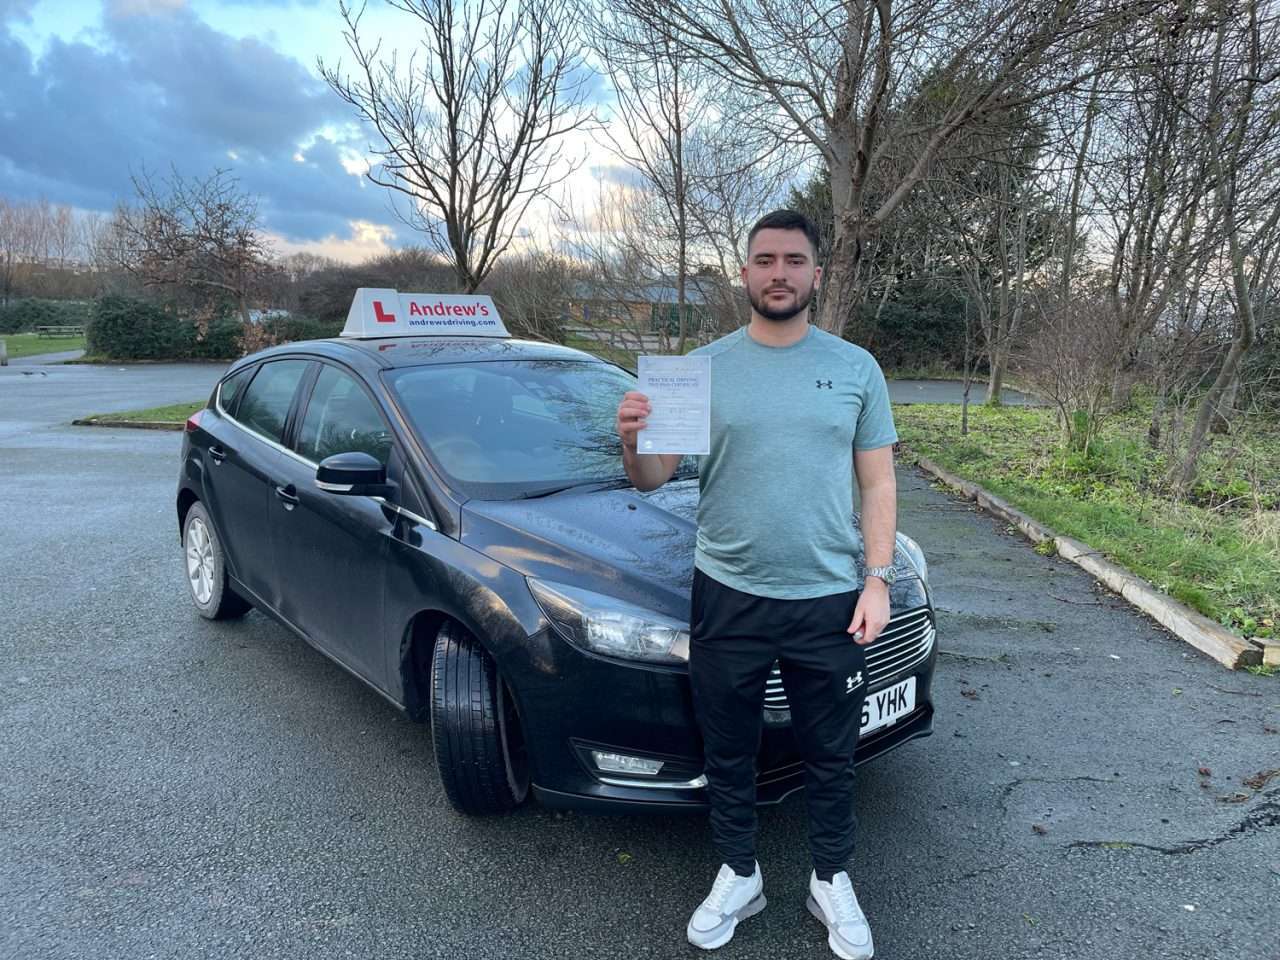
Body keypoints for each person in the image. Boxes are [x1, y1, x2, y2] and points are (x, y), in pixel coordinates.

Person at [614, 209, 898, 960]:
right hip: (728, 593)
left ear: (816, 273)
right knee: (729, 747)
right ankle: (740, 872)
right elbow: (651, 478)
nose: (779, 273)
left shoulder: (856, 368)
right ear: (744, 273)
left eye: (794, 260)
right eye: (765, 260)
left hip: (828, 597)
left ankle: (830, 878)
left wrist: (877, 580)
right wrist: (633, 441)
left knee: (831, 751)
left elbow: (878, 483)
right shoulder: (698, 371)